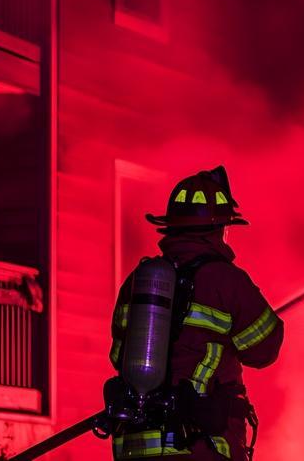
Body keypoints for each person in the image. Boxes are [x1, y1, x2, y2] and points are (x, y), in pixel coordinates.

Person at [108, 166, 284, 460]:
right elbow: (265, 350)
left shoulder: (137, 283)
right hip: (199, 447)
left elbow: (117, 356)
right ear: (219, 229)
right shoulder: (225, 280)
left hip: (136, 447)